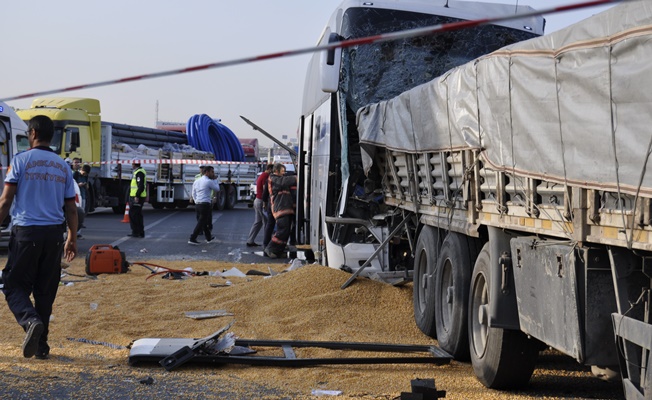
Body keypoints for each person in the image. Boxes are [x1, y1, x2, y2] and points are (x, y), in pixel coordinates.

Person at [0, 115, 78, 359]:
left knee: (12, 285)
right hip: (54, 236)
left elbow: (6, 200)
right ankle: (42, 347)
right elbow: (71, 208)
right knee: (45, 291)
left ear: (32, 134)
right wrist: (71, 237)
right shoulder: (63, 166)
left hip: (26, 233)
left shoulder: (20, 160)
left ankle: (30, 320)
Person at [264, 163, 297, 258]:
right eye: (282, 171)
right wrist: (296, 178)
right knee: (282, 230)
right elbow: (283, 181)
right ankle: (270, 248)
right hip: (280, 208)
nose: (284, 173)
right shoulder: (273, 178)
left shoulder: (278, 178)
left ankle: (278, 251)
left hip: (285, 208)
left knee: (286, 231)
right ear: (276, 171)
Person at [188, 165, 221, 245]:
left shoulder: (197, 181)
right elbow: (217, 189)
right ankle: (192, 238)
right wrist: (216, 180)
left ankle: (208, 237)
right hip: (205, 204)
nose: (213, 174)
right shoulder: (209, 181)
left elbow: (193, 192)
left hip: (198, 204)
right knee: (201, 222)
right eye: (212, 172)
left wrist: (196, 201)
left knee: (204, 221)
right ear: (207, 172)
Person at [246, 164, 273, 247]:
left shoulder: (262, 175)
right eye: (272, 170)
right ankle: (267, 242)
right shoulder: (265, 176)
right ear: (269, 169)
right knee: (266, 222)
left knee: (258, 222)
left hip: (258, 200)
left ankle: (250, 240)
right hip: (261, 201)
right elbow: (266, 190)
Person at [128, 160, 146, 238]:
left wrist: (137, 196)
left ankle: (136, 232)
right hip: (138, 196)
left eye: (132, 164)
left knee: (133, 214)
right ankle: (140, 232)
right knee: (138, 215)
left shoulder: (139, 173)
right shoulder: (139, 172)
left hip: (137, 197)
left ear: (134, 164)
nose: (132, 165)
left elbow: (140, 185)